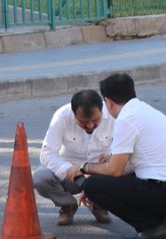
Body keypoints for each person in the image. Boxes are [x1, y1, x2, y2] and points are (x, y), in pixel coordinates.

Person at [81, 73, 166, 239]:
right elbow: (129, 167)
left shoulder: (126, 120)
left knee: (92, 186)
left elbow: (115, 170)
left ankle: (151, 227)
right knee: (118, 178)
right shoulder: (146, 110)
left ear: (109, 101)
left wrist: (85, 168)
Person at [33, 89, 115, 226]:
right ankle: (68, 205)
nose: (90, 125)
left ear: (102, 110)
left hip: (100, 173)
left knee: (124, 170)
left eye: (95, 120)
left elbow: (124, 148)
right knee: (40, 178)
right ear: (73, 113)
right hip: (71, 175)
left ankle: (98, 203)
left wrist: (110, 157)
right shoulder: (62, 116)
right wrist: (70, 170)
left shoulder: (114, 116)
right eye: (83, 122)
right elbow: (47, 154)